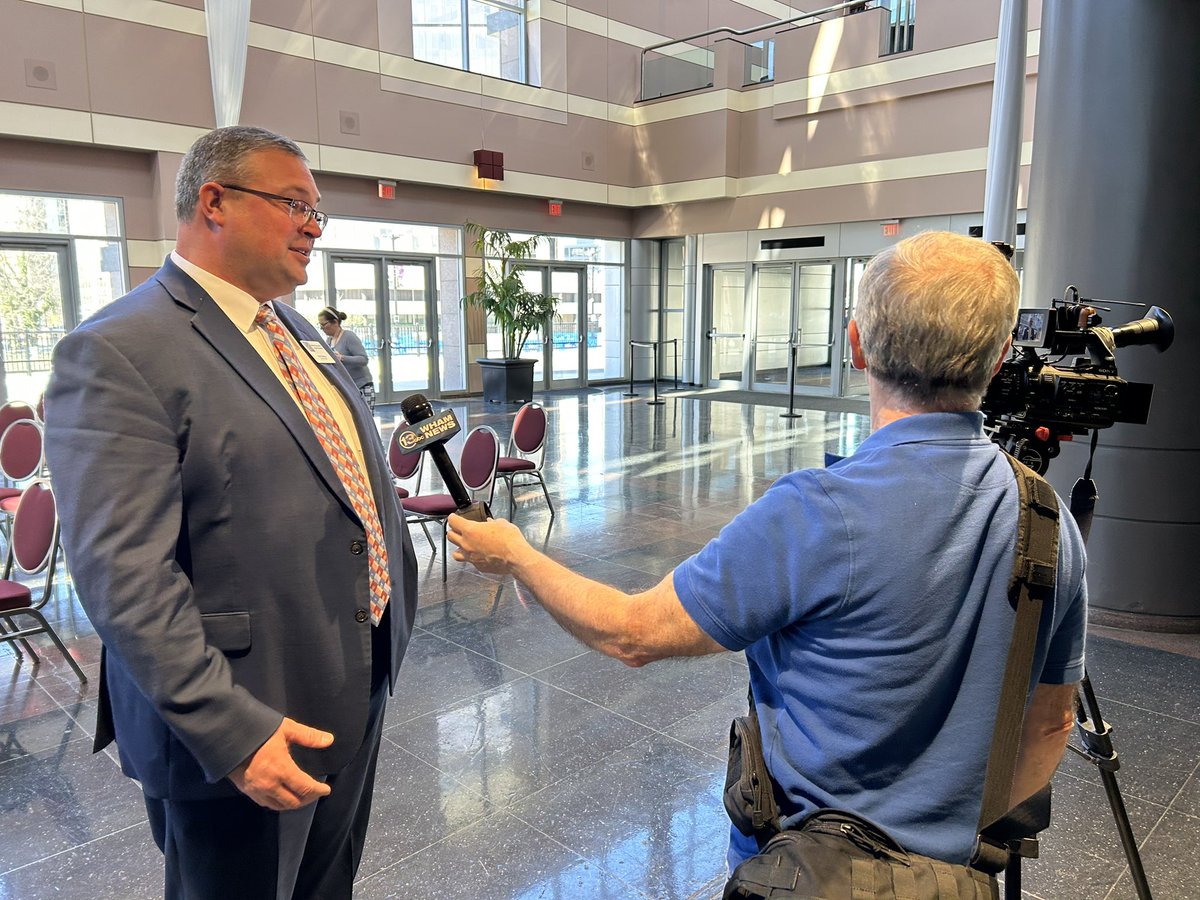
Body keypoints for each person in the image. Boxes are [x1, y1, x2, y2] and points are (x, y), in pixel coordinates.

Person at [448, 231, 1086, 873]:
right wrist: (939, 841)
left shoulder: (815, 514)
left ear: (856, 342)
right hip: (956, 879)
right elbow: (1050, 727)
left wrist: (518, 556)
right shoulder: (1047, 520)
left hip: (807, 872)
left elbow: (632, 633)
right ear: (1002, 354)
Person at [44, 125, 418, 900]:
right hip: (243, 719)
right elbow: (124, 579)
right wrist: (232, 730)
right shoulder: (117, 349)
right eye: (294, 205)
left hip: (351, 676)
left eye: (318, 211)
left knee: (326, 885)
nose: (313, 226)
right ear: (213, 201)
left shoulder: (292, 327)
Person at [318, 306, 375, 410]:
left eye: (324, 324)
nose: (322, 328)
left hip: (362, 386)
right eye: (320, 325)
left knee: (366, 420)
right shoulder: (329, 340)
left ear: (335, 322)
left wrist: (342, 358)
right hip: (347, 387)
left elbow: (363, 359)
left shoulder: (348, 336)